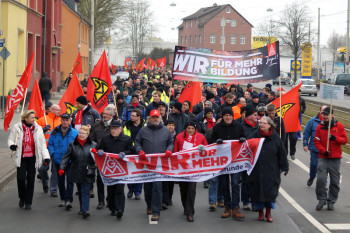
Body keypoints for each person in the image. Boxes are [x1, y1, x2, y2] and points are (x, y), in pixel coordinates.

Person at [247, 116, 289, 222]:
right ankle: (260, 213)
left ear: (270, 125)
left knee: (270, 192)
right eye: (260, 123)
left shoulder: (275, 138)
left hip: (271, 170)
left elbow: (282, 153)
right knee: (258, 191)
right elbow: (246, 147)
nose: (261, 125)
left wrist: (285, 166)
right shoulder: (254, 136)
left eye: (264, 123)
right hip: (257, 170)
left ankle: (268, 213)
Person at [135, 109, 174, 222]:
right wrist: (140, 151)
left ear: (160, 118)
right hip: (147, 164)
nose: (155, 119)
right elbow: (137, 142)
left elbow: (171, 142)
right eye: (153, 117)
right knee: (148, 187)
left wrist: (169, 150)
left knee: (157, 187)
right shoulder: (143, 130)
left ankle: (156, 211)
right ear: (150, 118)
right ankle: (149, 204)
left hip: (159, 164)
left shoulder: (166, 130)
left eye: (157, 117)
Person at [8, 110, 50, 210]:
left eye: (34, 117)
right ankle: (22, 197)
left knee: (31, 180)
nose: (33, 119)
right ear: (25, 118)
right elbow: (10, 139)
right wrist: (12, 145)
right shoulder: (17, 128)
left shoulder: (38, 129)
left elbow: (42, 144)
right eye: (31, 117)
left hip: (33, 158)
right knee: (21, 179)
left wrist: (46, 157)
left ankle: (28, 202)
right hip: (21, 158)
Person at [211, 107, 246, 219]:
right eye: (226, 115)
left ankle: (236, 207)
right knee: (224, 184)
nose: (228, 117)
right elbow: (211, 142)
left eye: (229, 115)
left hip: (235, 161)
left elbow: (245, 139)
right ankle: (227, 207)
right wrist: (217, 142)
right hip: (223, 161)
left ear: (232, 116)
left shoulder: (239, 127)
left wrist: (242, 140)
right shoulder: (217, 128)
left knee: (235, 184)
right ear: (222, 116)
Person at [97, 121, 133, 219]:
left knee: (120, 189)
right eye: (112, 128)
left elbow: (131, 150)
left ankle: (120, 209)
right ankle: (112, 208)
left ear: (120, 129)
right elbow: (100, 148)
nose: (114, 130)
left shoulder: (126, 139)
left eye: (116, 129)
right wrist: (100, 151)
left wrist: (124, 153)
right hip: (109, 168)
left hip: (121, 168)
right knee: (111, 189)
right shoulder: (105, 139)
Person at [59, 126, 97, 219]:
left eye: (83, 133)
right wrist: (62, 168)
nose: (81, 135)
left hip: (88, 171)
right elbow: (66, 157)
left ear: (87, 134)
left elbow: (98, 159)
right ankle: (82, 208)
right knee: (80, 190)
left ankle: (85, 210)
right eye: (80, 133)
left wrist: (96, 160)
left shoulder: (94, 145)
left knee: (85, 191)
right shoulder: (72, 145)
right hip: (76, 170)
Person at [314, 107, 347, 211]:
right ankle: (321, 199)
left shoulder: (339, 126)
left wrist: (335, 138)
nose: (325, 116)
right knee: (320, 179)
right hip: (323, 157)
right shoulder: (320, 127)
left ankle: (331, 201)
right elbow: (316, 141)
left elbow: (344, 140)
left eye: (327, 114)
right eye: (323, 114)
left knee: (335, 181)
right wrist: (323, 150)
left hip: (335, 158)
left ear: (332, 115)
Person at [174, 122, 208, 222]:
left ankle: (190, 212)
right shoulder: (179, 137)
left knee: (191, 190)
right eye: (188, 128)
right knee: (183, 189)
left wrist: (203, 149)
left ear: (195, 129)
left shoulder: (201, 137)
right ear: (185, 129)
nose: (190, 130)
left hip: (194, 169)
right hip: (182, 168)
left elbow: (207, 150)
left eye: (192, 128)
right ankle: (185, 207)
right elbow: (175, 151)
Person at [48, 113, 78, 209]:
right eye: (63, 120)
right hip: (58, 160)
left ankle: (68, 200)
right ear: (61, 121)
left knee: (69, 180)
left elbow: (78, 145)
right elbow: (50, 144)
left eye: (67, 120)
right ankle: (62, 198)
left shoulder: (75, 132)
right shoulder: (54, 132)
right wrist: (52, 154)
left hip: (70, 161)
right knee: (60, 181)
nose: (65, 122)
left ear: (70, 121)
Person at [90, 107, 115, 209]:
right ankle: (101, 201)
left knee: (110, 181)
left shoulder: (115, 125)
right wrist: (96, 148)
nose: (104, 115)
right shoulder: (96, 125)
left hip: (111, 157)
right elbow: (92, 138)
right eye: (103, 113)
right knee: (100, 180)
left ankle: (109, 200)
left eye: (107, 114)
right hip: (100, 156)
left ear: (111, 116)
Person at [36, 104, 61, 196]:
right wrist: (42, 129)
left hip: (56, 149)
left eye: (60, 110)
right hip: (45, 149)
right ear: (51, 110)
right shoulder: (42, 120)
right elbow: (34, 132)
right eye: (57, 110)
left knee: (55, 170)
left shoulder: (61, 121)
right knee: (43, 168)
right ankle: (45, 182)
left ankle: (53, 190)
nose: (59, 112)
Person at [123, 109, 145, 200]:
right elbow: (124, 137)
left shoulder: (144, 126)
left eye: (133, 115)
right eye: (131, 115)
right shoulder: (127, 126)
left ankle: (137, 191)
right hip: (130, 151)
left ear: (139, 117)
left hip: (140, 151)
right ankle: (130, 189)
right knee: (130, 171)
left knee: (139, 172)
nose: (131, 117)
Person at [303, 105, 327, 186]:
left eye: (326, 111)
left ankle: (324, 182)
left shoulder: (331, 122)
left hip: (325, 149)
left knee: (324, 166)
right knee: (314, 164)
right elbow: (306, 133)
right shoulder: (312, 121)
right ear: (320, 111)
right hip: (315, 148)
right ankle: (312, 177)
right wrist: (305, 144)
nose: (324, 112)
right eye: (323, 110)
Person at [241, 105, 259, 210]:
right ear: (248, 116)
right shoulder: (241, 127)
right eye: (255, 114)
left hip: (256, 157)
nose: (257, 116)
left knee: (255, 180)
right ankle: (245, 201)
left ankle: (254, 201)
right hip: (245, 158)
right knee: (245, 180)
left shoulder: (259, 126)